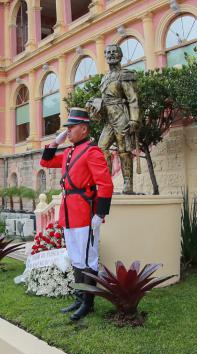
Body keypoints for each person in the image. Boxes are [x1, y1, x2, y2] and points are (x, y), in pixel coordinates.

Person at [40, 108, 114, 321]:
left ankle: (88, 303)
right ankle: (80, 298)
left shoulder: (92, 151)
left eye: (71, 128)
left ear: (84, 128)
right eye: (68, 128)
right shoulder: (70, 152)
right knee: (76, 258)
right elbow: (45, 162)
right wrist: (57, 140)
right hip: (69, 212)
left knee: (88, 259)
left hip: (84, 212)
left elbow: (105, 185)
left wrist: (99, 214)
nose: (69, 131)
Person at [87, 43, 140, 194]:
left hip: (121, 115)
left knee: (124, 150)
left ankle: (128, 184)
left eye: (114, 52)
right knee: (101, 147)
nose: (111, 55)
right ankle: (105, 181)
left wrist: (135, 119)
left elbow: (133, 98)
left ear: (120, 55)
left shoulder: (125, 75)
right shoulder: (105, 78)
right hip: (108, 118)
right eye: (108, 52)